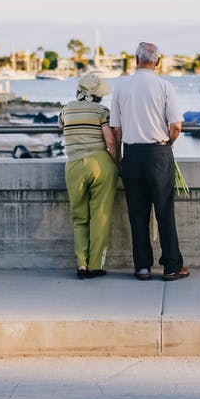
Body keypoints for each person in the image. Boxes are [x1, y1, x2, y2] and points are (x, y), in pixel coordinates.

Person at [109, 41, 190, 281]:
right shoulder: (165, 86)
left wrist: (121, 159)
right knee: (164, 211)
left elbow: (116, 129)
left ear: (136, 59)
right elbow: (176, 126)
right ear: (157, 61)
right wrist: (168, 142)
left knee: (137, 213)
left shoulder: (121, 87)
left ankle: (142, 267)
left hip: (132, 154)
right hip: (158, 153)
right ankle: (172, 266)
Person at [58, 71, 119, 278]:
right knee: (100, 217)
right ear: (98, 94)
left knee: (79, 217)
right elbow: (110, 141)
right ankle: (96, 265)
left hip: (74, 164)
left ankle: (81, 263)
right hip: (100, 163)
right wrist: (117, 162)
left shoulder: (66, 110)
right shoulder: (102, 111)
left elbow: (62, 128)